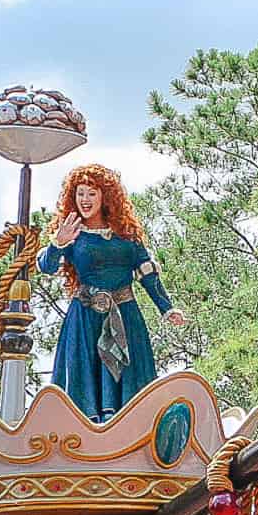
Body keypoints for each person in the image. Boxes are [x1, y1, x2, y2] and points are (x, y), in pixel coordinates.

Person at [36, 163, 188, 422]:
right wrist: (57, 242)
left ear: (106, 196)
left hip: (126, 317)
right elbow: (46, 266)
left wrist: (167, 308)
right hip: (85, 319)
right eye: (80, 193)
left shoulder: (126, 234)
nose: (85, 200)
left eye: (92, 193)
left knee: (131, 389)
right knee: (85, 386)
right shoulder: (72, 232)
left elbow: (147, 273)